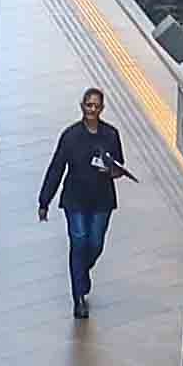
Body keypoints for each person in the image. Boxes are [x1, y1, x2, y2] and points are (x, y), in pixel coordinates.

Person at [36, 86, 129, 318]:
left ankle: (82, 273)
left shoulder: (111, 135)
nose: (92, 109)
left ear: (102, 109)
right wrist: (44, 200)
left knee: (95, 243)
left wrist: (112, 170)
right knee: (78, 242)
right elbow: (57, 167)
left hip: (102, 200)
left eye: (96, 106)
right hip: (75, 199)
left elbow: (119, 166)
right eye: (89, 105)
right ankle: (78, 297)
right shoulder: (70, 136)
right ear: (82, 106)